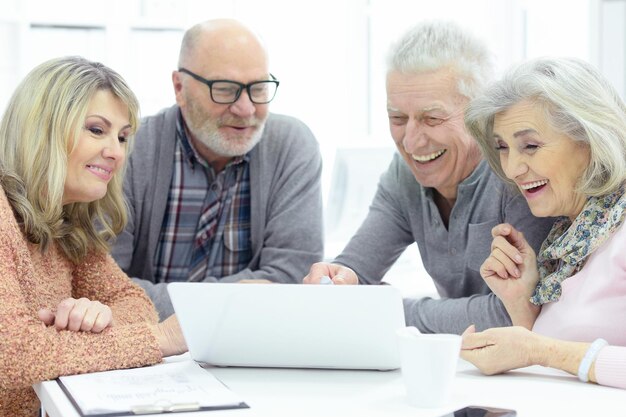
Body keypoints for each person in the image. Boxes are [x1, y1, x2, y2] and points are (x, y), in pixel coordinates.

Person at [303, 21, 554, 334]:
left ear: (481, 115)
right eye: (396, 118)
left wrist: (388, 309)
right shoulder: (403, 173)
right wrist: (336, 278)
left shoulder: (517, 174)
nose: (410, 142)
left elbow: (513, 313)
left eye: (432, 119)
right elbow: (357, 267)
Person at [0, 56, 187, 416]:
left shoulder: (66, 221)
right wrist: (159, 339)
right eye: (97, 130)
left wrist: (97, 316)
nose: (116, 152)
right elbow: (13, 351)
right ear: (41, 129)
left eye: (122, 137)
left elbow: (136, 303)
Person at [111, 19, 324, 320]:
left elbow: (292, 282)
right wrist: (246, 296)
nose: (246, 109)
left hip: (251, 348)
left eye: (259, 88)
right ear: (179, 88)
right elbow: (104, 289)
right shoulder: (128, 149)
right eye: (225, 90)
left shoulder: (290, 146)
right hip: (152, 353)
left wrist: (152, 301)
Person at [461, 57, 626, 390]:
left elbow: (552, 355)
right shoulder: (570, 241)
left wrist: (538, 349)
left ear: (590, 140)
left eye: (530, 146)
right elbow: (557, 369)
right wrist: (521, 302)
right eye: (503, 148)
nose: (512, 169)